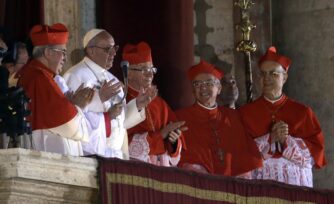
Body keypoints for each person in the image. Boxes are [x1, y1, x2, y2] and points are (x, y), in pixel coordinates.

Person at [239, 46, 327, 187]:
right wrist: (270, 139)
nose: (266, 79)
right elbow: (239, 155)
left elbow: (313, 156)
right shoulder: (244, 113)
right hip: (261, 185)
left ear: (284, 77)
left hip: (296, 184)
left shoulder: (303, 112)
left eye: (273, 74)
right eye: (263, 74)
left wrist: (286, 141)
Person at [63, 29, 156, 159]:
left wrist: (137, 105)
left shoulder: (113, 79)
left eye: (114, 48)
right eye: (107, 49)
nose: (113, 53)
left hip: (115, 155)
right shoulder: (76, 75)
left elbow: (120, 122)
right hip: (90, 154)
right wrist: (99, 99)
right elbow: (71, 118)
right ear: (91, 50)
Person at [17, 23, 92, 156]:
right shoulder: (40, 78)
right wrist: (78, 106)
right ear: (48, 53)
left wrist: (70, 104)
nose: (65, 58)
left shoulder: (41, 75)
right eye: (62, 52)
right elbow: (69, 125)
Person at [176, 60, 262, 177]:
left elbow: (243, 156)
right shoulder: (180, 118)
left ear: (219, 88)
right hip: (198, 185)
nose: (203, 88)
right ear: (193, 90)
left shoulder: (233, 117)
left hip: (231, 186)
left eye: (208, 83)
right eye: (198, 84)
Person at [123, 41, 186, 166]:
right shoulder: (121, 98)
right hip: (133, 168)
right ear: (129, 73)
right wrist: (161, 135)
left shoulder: (160, 103)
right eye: (144, 69)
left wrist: (173, 140)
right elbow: (122, 143)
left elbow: (173, 152)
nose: (150, 73)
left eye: (152, 68)